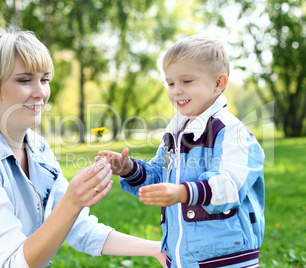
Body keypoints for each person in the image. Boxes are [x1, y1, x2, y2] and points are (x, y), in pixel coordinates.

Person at [0, 27, 166, 268]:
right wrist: (72, 202)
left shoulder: (37, 147)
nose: (40, 93)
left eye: (44, 79)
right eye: (24, 80)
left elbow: (80, 229)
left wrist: (157, 250)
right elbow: (15, 262)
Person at [98, 35, 265, 267]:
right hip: (182, 257)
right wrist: (129, 169)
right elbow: (161, 174)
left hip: (225, 256)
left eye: (186, 81)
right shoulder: (174, 134)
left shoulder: (231, 132)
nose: (176, 91)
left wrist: (184, 193)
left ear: (218, 83)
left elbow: (230, 186)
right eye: (171, 83)